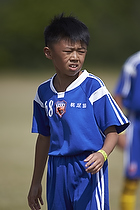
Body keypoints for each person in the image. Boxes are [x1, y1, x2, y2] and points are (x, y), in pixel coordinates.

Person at [27, 13, 129, 210]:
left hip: (88, 168)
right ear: (49, 53)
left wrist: (103, 154)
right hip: (56, 171)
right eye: (68, 51)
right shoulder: (43, 92)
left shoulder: (93, 86)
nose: (75, 57)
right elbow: (44, 138)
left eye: (81, 51)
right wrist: (35, 182)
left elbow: (113, 132)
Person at [114, 51, 140, 210]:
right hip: (136, 125)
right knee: (132, 175)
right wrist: (120, 132)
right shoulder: (134, 63)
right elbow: (118, 97)